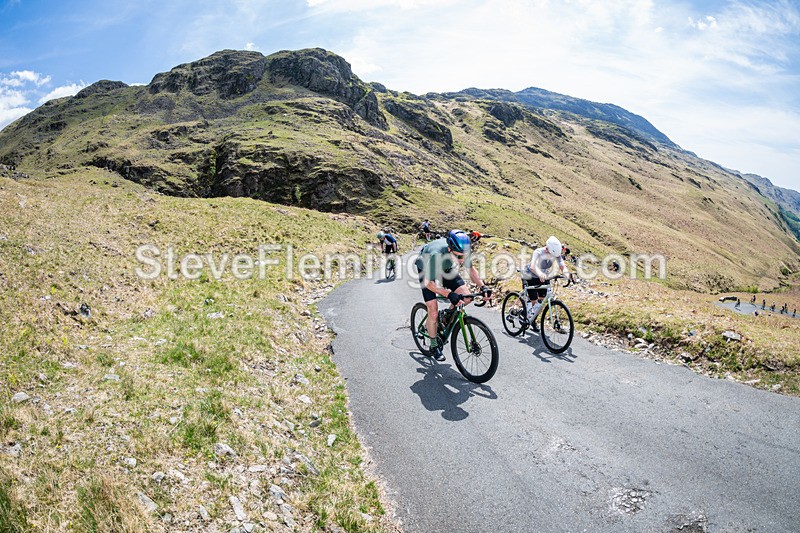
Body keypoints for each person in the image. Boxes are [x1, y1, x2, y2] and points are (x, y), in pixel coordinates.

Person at [414, 230, 491, 361]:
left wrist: (483, 286)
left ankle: (447, 316)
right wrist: (449, 294)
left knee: (466, 296)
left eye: (464, 256)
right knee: (433, 311)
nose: (462, 260)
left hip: (445, 267)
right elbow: (429, 283)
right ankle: (434, 345)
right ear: (450, 249)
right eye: (459, 256)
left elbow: (471, 270)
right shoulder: (436, 255)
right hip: (427, 268)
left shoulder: (460, 251)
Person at [522, 236, 573, 332]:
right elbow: (533, 266)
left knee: (542, 300)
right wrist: (540, 273)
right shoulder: (538, 252)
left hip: (543, 276)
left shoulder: (555, 253)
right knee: (534, 299)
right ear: (547, 249)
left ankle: (533, 318)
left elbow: (562, 265)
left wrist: (567, 274)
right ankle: (527, 314)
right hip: (530, 275)